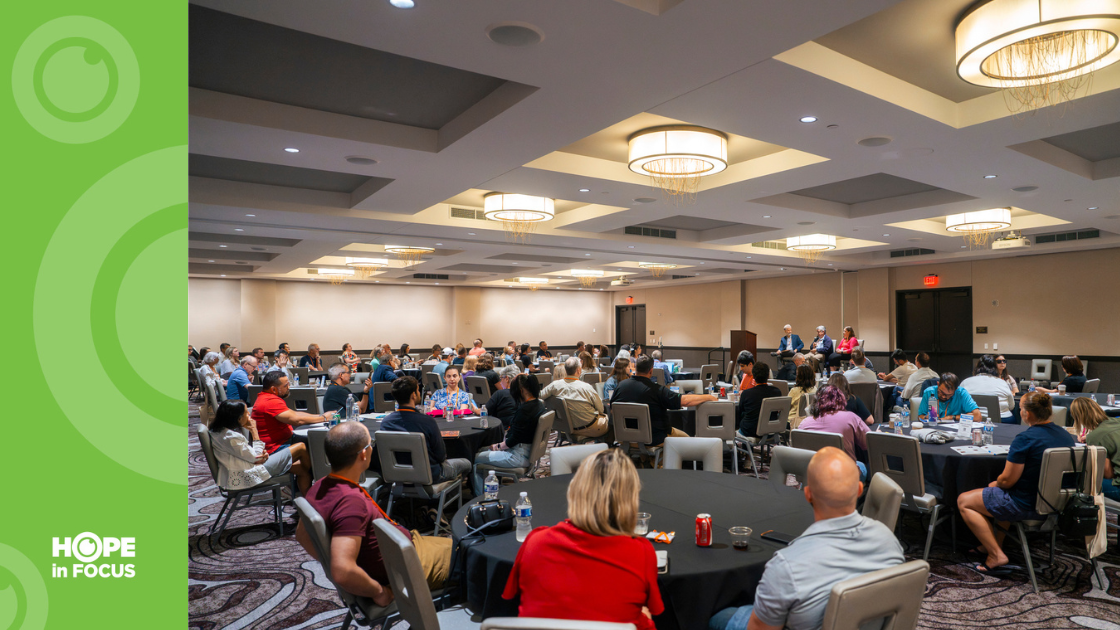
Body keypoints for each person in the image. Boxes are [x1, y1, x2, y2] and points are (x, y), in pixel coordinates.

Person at [708, 448, 903, 630]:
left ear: (807, 494)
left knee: (720, 617)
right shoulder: (889, 541)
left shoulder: (787, 565)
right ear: (860, 490)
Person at [503, 449, 663, 630]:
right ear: (630, 499)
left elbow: (510, 601)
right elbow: (654, 610)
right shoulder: (640, 552)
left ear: (575, 490)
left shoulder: (535, 542)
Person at [296, 422, 453, 604]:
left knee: (455, 544)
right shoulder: (350, 502)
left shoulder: (320, 485)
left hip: (404, 549)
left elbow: (301, 535)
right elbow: (342, 570)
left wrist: (330, 559)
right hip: (404, 570)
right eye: (371, 445)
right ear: (363, 454)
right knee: (468, 554)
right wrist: (378, 591)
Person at [957, 392, 1075, 574]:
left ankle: (995, 554)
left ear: (1027, 414)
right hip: (1056, 503)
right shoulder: (1065, 435)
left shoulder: (1025, 439)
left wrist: (995, 483)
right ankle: (994, 543)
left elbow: (1007, 480)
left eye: (1020, 409)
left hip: (1024, 503)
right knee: (995, 496)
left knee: (964, 501)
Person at [610, 355, 716, 449]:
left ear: (635, 368)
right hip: (654, 439)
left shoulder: (620, 386)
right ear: (651, 371)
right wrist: (708, 397)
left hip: (624, 438)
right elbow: (685, 402)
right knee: (688, 440)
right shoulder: (657, 390)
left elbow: (612, 411)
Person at [381, 376, 472, 483]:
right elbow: (441, 455)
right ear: (413, 395)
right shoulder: (426, 421)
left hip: (397, 474)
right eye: (418, 391)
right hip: (431, 474)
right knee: (467, 463)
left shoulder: (386, 423)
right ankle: (453, 493)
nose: (420, 393)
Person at [208, 399, 307, 492]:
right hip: (248, 473)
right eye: (246, 413)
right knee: (301, 447)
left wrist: (262, 455)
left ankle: (306, 500)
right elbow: (256, 458)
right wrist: (254, 430)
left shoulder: (219, 432)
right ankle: (314, 496)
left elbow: (250, 454)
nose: (249, 414)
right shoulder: (231, 437)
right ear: (238, 418)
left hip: (244, 467)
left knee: (301, 469)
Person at [473, 374, 546, 494]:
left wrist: (497, 447)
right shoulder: (539, 404)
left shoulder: (523, 411)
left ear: (521, 391)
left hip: (516, 456)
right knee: (484, 451)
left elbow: (513, 441)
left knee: (475, 459)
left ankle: (480, 496)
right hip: (530, 453)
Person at [252, 371, 331, 461]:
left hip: (285, 440)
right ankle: (315, 473)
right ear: (274, 389)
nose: (289, 387)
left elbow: (294, 414)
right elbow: (297, 420)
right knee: (317, 446)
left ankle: (310, 474)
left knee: (315, 441)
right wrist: (323, 418)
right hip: (276, 448)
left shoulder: (267, 398)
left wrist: (321, 416)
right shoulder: (269, 401)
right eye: (285, 386)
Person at [798, 386, 870, 480]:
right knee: (863, 466)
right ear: (842, 400)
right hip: (843, 476)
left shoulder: (804, 423)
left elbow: (799, 455)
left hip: (813, 476)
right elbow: (868, 444)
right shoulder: (850, 417)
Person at [540, 357, 610, 440]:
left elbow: (540, 396)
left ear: (566, 370)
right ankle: (605, 449)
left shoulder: (554, 386)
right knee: (611, 421)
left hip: (566, 427)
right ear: (578, 370)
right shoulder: (587, 387)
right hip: (591, 428)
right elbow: (601, 409)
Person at [1075, 398, 1120, 500]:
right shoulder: (1117, 421)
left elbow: (1108, 474)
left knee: (1083, 480)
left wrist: (1093, 441)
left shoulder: (1095, 437)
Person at [960, 355, 1014, 422]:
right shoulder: (1002, 383)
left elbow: (959, 404)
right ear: (995, 368)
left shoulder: (965, 382)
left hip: (973, 419)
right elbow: (1011, 406)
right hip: (1002, 419)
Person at [737, 362, 784, 438]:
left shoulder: (746, 393)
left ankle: (745, 449)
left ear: (754, 376)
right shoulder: (777, 392)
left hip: (751, 431)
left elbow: (740, 411)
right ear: (768, 375)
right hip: (771, 430)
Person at [485, 364, 523, 429]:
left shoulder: (500, 394)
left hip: (503, 431)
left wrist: (474, 408)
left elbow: (485, 411)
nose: (500, 382)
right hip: (520, 429)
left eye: (501, 378)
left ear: (506, 379)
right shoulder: (524, 393)